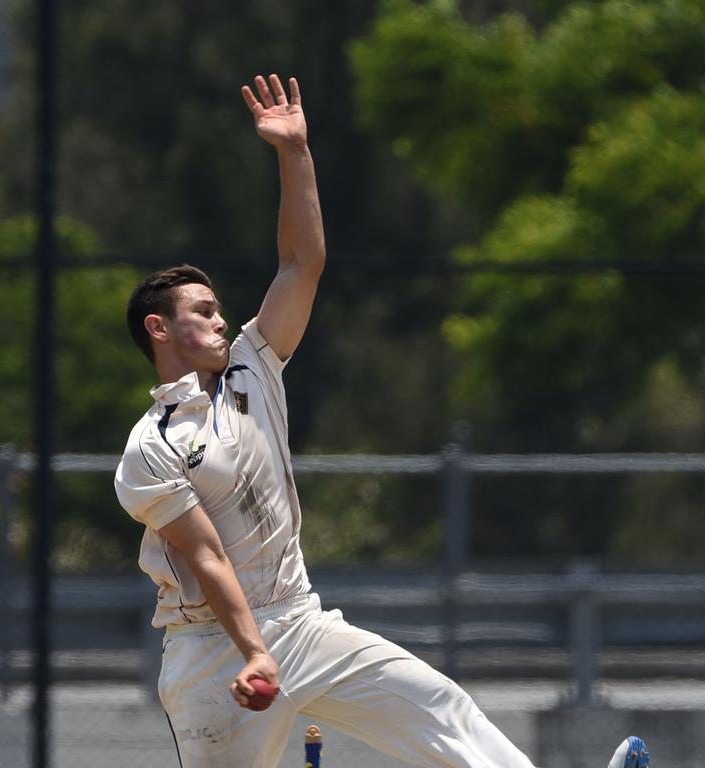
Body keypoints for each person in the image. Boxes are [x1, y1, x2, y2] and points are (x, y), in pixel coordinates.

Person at [114, 73, 650, 768]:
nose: (222, 321)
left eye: (221, 310)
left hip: (300, 621)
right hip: (215, 652)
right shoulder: (149, 448)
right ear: (159, 327)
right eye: (203, 312)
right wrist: (253, 653)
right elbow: (208, 557)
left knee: (438, 706)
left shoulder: (254, 364)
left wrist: (294, 152)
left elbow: (302, 262)